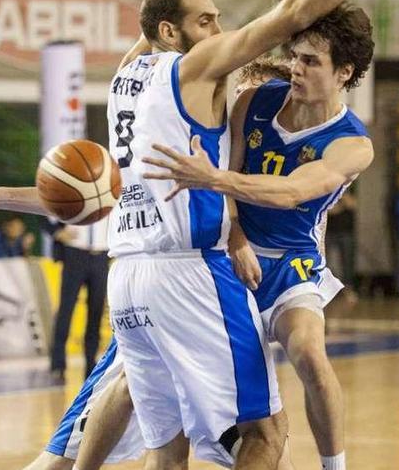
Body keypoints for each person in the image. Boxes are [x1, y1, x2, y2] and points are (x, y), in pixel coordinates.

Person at [0, 0, 364, 469]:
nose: (218, 29)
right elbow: (291, 13)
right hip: (189, 273)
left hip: (128, 275)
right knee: (267, 434)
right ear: (168, 32)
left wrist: (1, 197)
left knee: (163, 442)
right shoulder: (194, 70)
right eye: (206, 20)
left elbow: (95, 193)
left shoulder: (124, 78)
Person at [26, 57, 294, 470]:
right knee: (82, 440)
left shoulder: (262, 167)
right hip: (171, 286)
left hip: (185, 299)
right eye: (247, 92)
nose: (247, 103)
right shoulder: (193, 138)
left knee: (201, 445)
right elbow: (96, 192)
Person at [142, 2, 375, 470]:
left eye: (311, 61)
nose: (296, 68)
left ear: (343, 72)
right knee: (237, 412)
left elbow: (291, 193)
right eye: (295, 56)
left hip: (292, 262)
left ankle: (335, 466)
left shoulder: (353, 143)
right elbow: (231, 173)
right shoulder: (255, 100)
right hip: (229, 255)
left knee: (309, 352)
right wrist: (235, 236)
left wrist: (213, 181)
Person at [48, 218, 110, 381]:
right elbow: (43, 209)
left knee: (96, 311)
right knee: (66, 310)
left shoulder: (113, 193)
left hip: (101, 254)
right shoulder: (71, 192)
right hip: (75, 252)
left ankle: (91, 364)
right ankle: (58, 364)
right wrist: (55, 231)